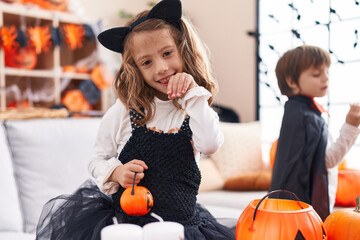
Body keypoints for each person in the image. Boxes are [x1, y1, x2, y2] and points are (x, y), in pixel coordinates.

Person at [36, 0, 235, 239]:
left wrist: (193, 96)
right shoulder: (123, 111)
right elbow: (97, 159)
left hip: (180, 228)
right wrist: (117, 172)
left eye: (167, 53)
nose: (161, 68)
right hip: (126, 225)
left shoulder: (194, 107)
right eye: (147, 62)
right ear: (135, 68)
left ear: (184, 50)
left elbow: (211, 144)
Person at [269, 45, 360, 221]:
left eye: (327, 72)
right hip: (303, 211)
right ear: (291, 81)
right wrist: (351, 126)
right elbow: (328, 161)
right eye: (317, 74)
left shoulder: (295, 111)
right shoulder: (307, 117)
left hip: (286, 208)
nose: (325, 78)